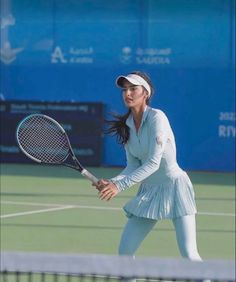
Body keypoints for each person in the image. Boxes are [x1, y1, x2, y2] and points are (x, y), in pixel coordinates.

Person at [94, 71, 202, 261]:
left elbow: (153, 163)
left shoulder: (157, 117)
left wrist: (118, 186)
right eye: (125, 90)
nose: (128, 94)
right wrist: (112, 181)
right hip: (149, 192)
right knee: (125, 253)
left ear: (146, 93)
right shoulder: (126, 126)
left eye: (133, 89)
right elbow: (133, 166)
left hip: (176, 187)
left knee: (189, 254)